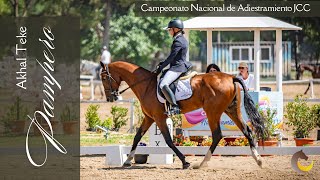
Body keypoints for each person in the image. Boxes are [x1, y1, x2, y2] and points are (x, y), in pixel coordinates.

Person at [156, 19, 193, 115]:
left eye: (170, 30)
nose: (169, 31)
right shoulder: (180, 39)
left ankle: (175, 106)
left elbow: (171, 57)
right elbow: (174, 56)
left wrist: (161, 67)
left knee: (163, 84)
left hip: (177, 67)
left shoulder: (178, 41)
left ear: (175, 29)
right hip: (178, 65)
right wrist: (163, 63)